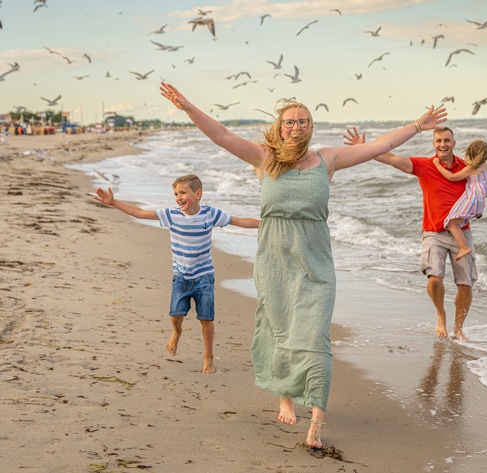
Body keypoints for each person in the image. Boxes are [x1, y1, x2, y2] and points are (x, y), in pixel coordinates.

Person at [159, 81, 447, 449]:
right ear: (279, 128)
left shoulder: (328, 159)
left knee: (314, 334)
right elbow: (221, 135)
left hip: (315, 260)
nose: (296, 127)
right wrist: (187, 106)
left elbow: (381, 146)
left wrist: (418, 126)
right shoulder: (264, 158)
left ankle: (316, 421)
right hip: (275, 257)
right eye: (289, 122)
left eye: (303, 121)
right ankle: (285, 395)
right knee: (280, 329)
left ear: (311, 127)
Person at [93, 174, 260, 374]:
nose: (178, 197)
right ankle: (176, 332)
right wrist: (113, 203)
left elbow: (240, 221)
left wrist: (268, 222)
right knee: (176, 315)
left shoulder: (211, 214)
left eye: (182, 193)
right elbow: (139, 213)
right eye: (175, 194)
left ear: (198, 194)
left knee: (206, 319)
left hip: (204, 276)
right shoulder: (171, 215)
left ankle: (208, 356)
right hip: (181, 276)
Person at [344, 126, 476, 341]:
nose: (443, 144)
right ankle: (440, 314)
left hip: (462, 232)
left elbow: (479, 191)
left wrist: (477, 212)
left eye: (447, 140)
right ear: (434, 144)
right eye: (438, 141)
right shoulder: (425, 165)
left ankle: (459, 327)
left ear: (454, 142)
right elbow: (392, 158)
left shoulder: (466, 168)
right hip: (433, 231)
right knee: (435, 279)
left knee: (465, 284)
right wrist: (364, 147)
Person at [433, 139, 487, 262]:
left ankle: (464, 247)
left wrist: (437, 165)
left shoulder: (472, 168)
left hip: (472, 199)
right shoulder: (486, 167)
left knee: (452, 222)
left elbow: (453, 177)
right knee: (459, 219)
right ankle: (462, 243)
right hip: (480, 201)